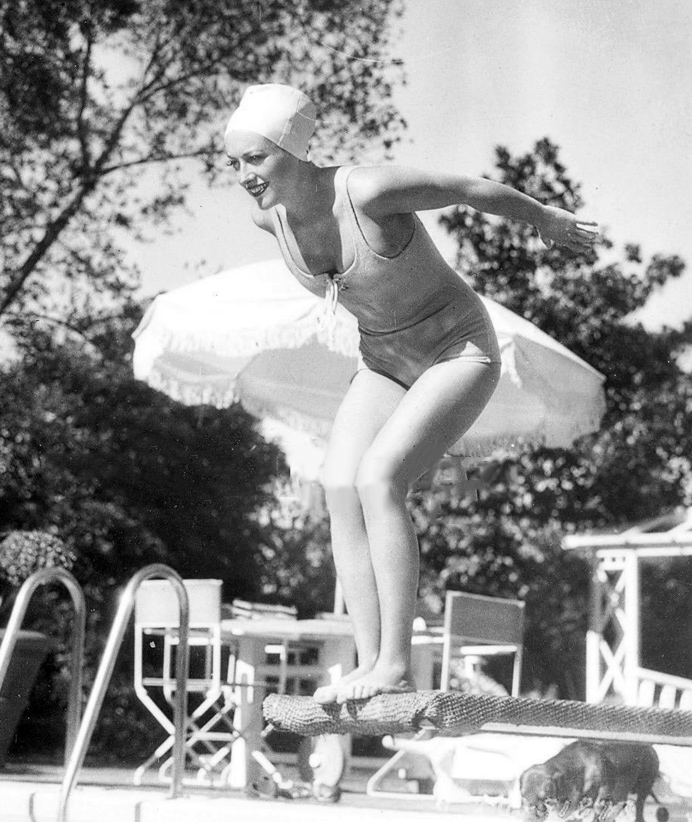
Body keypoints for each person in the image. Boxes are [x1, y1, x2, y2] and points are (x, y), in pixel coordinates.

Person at [224, 83, 599, 704]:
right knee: (339, 485)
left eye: (255, 159)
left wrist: (545, 219)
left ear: (294, 151)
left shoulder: (367, 190)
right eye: (233, 162)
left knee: (380, 481)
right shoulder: (269, 219)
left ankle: (394, 663)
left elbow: (468, 191)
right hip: (384, 362)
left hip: (457, 351)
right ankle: (369, 665)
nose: (243, 175)